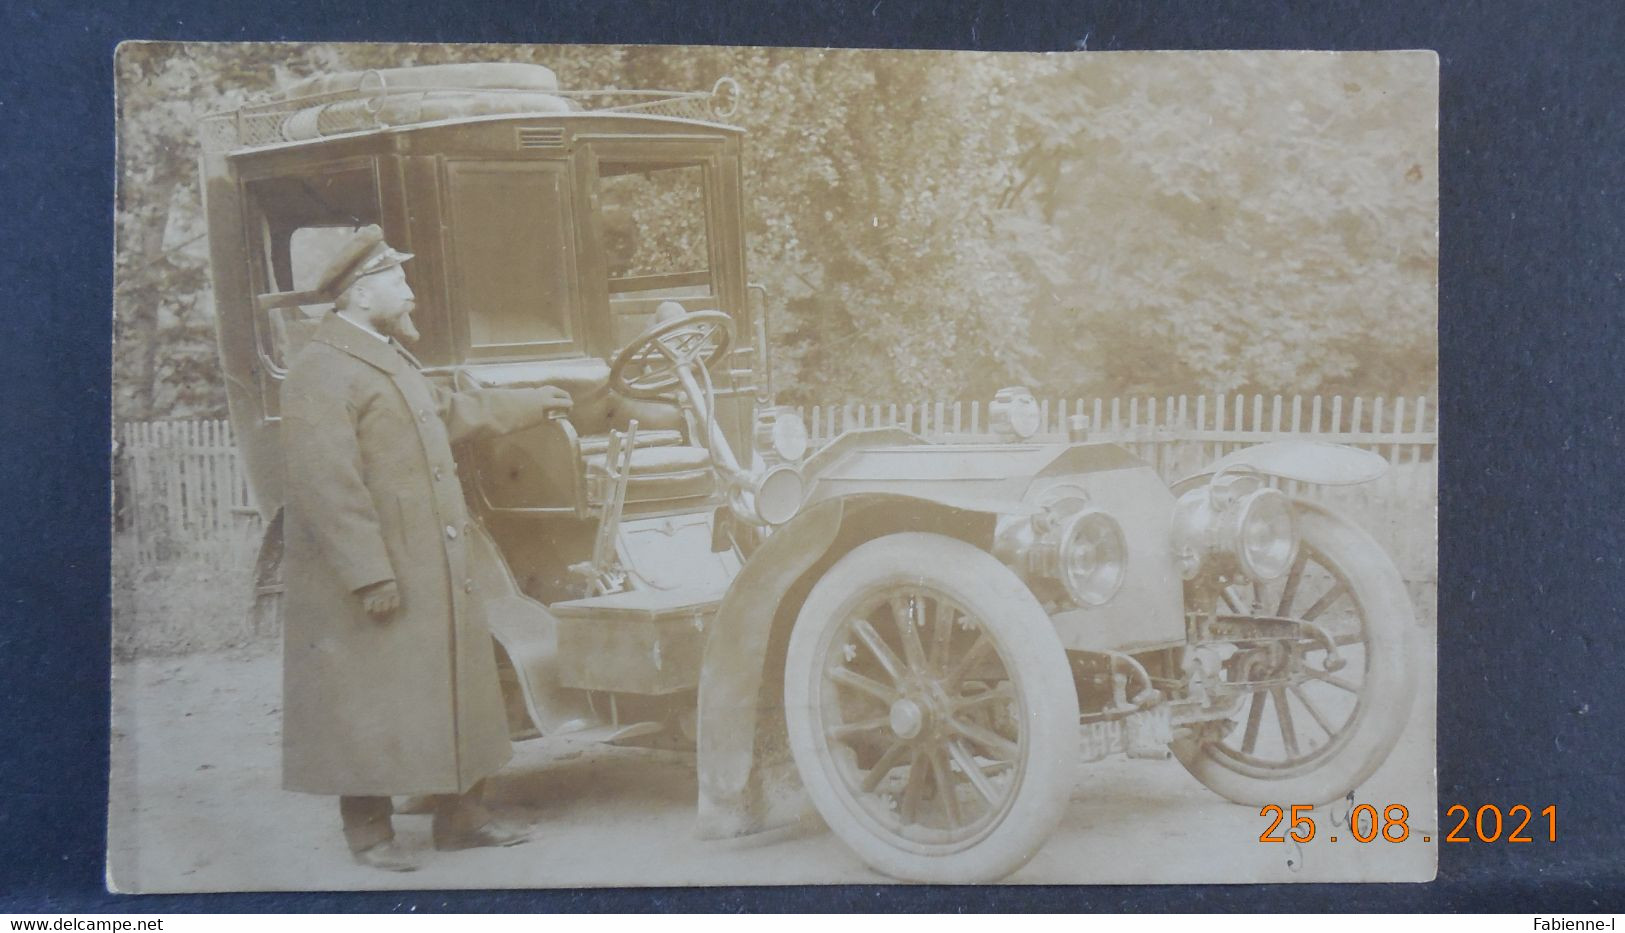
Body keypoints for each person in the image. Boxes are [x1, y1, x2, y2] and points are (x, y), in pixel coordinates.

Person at [278, 225, 572, 872]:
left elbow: (445, 410)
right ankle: (368, 834)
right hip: (379, 566)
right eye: (398, 281)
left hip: (431, 559)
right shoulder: (321, 370)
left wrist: (530, 402)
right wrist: (366, 574)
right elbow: (326, 487)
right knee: (363, 694)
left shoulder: (382, 356)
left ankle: (462, 817)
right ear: (359, 294)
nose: (411, 293)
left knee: (451, 685)